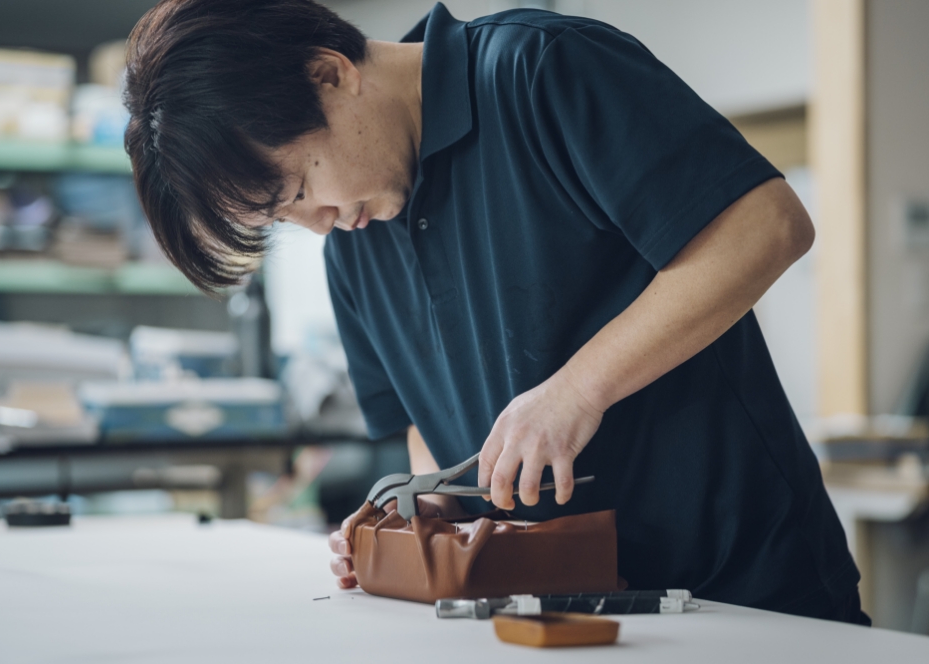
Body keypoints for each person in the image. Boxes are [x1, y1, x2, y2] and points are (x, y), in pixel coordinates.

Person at [123, 0, 869, 624]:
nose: (315, 221)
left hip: (740, 592)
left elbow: (766, 227)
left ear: (330, 73)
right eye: (285, 218)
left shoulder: (543, 71)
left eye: (298, 186)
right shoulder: (352, 242)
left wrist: (577, 391)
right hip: (543, 616)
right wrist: (431, 509)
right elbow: (425, 422)